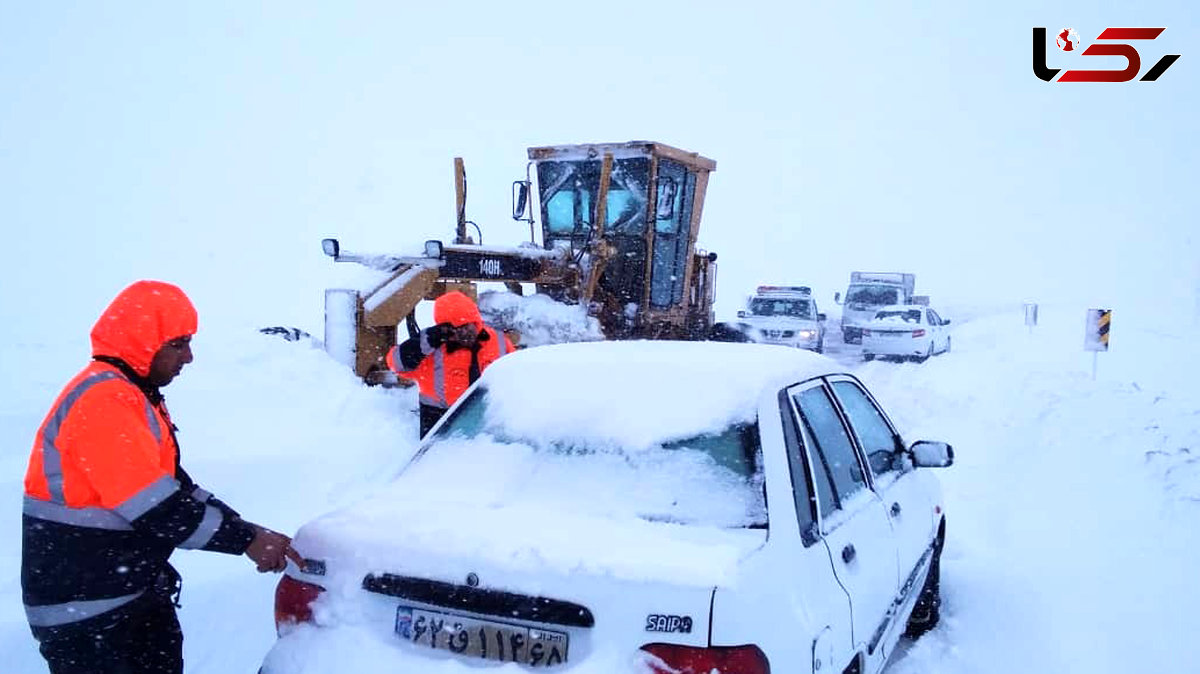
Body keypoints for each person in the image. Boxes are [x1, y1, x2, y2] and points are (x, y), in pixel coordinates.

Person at [21, 280, 303, 674]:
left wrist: (250, 530)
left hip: (123, 599)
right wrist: (247, 541)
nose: (188, 356)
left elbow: (180, 489)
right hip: (91, 617)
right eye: (178, 343)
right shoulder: (104, 401)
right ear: (142, 340)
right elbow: (159, 510)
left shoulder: (134, 398)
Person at [386, 291, 514, 437]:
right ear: (444, 330)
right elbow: (396, 363)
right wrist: (426, 340)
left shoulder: (499, 342)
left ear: (476, 321)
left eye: (467, 326)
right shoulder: (432, 351)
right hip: (441, 429)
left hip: (488, 425)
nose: (464, 333)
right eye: (457, 329)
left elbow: (516, 375)